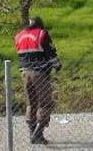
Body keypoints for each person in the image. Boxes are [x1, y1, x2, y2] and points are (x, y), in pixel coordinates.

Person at [14, 17, 62, 145]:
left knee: (31, 103)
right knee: (45, 103)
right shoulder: (42, 34)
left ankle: (32, 132)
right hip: (40, 73)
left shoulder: (19, 36)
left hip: (24, 73)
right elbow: (50, 53)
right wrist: (57, 65)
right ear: (40, 25)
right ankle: (37, 133)